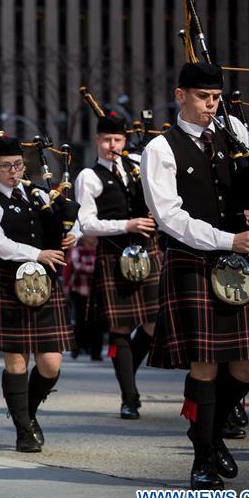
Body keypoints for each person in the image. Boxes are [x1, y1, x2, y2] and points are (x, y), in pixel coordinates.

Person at [140, 62, 249, 490]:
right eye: (203, 97)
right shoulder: (161, 149)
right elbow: (168, 216)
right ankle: (202, 459)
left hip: (239, 261)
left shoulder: (235, 131)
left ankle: (211, 431)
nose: (212, 105)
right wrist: (228, 239)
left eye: (216, 97)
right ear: (180, 94)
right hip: (194, 261)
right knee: (204, 365)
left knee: (246, 366)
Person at [0, 136, 78, 453]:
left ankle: (27, 413)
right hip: (10, 281)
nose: (13, 171)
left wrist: (71, 235)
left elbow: (65, 224)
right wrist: (38, 254)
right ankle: (23, 429)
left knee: (50, 364)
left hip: (44, 283)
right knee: (16, 361)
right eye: (5, 166)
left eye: (18, 164)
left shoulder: (39, 194)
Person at [75, 114, 161, 419]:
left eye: (119, 140)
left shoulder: (138, 166)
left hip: (148, 252)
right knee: (120, 328)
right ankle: (129, 396)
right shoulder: (89, 176)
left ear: (125, 141)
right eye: (108, 140)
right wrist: (127, 224)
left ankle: (130, 378)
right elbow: (86, 223)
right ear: (98, 140)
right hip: (114, 254)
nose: (113, 145)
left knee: (154, 324)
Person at [63, 235, 97, 359]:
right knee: (80, 321)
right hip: (79, 290)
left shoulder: (99, 250)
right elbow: (71, 269)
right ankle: (76, 349)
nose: (94, 238)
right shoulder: (76, 250)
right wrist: (66, 287)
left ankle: (94, 352)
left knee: (95, 323)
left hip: (95, 292)